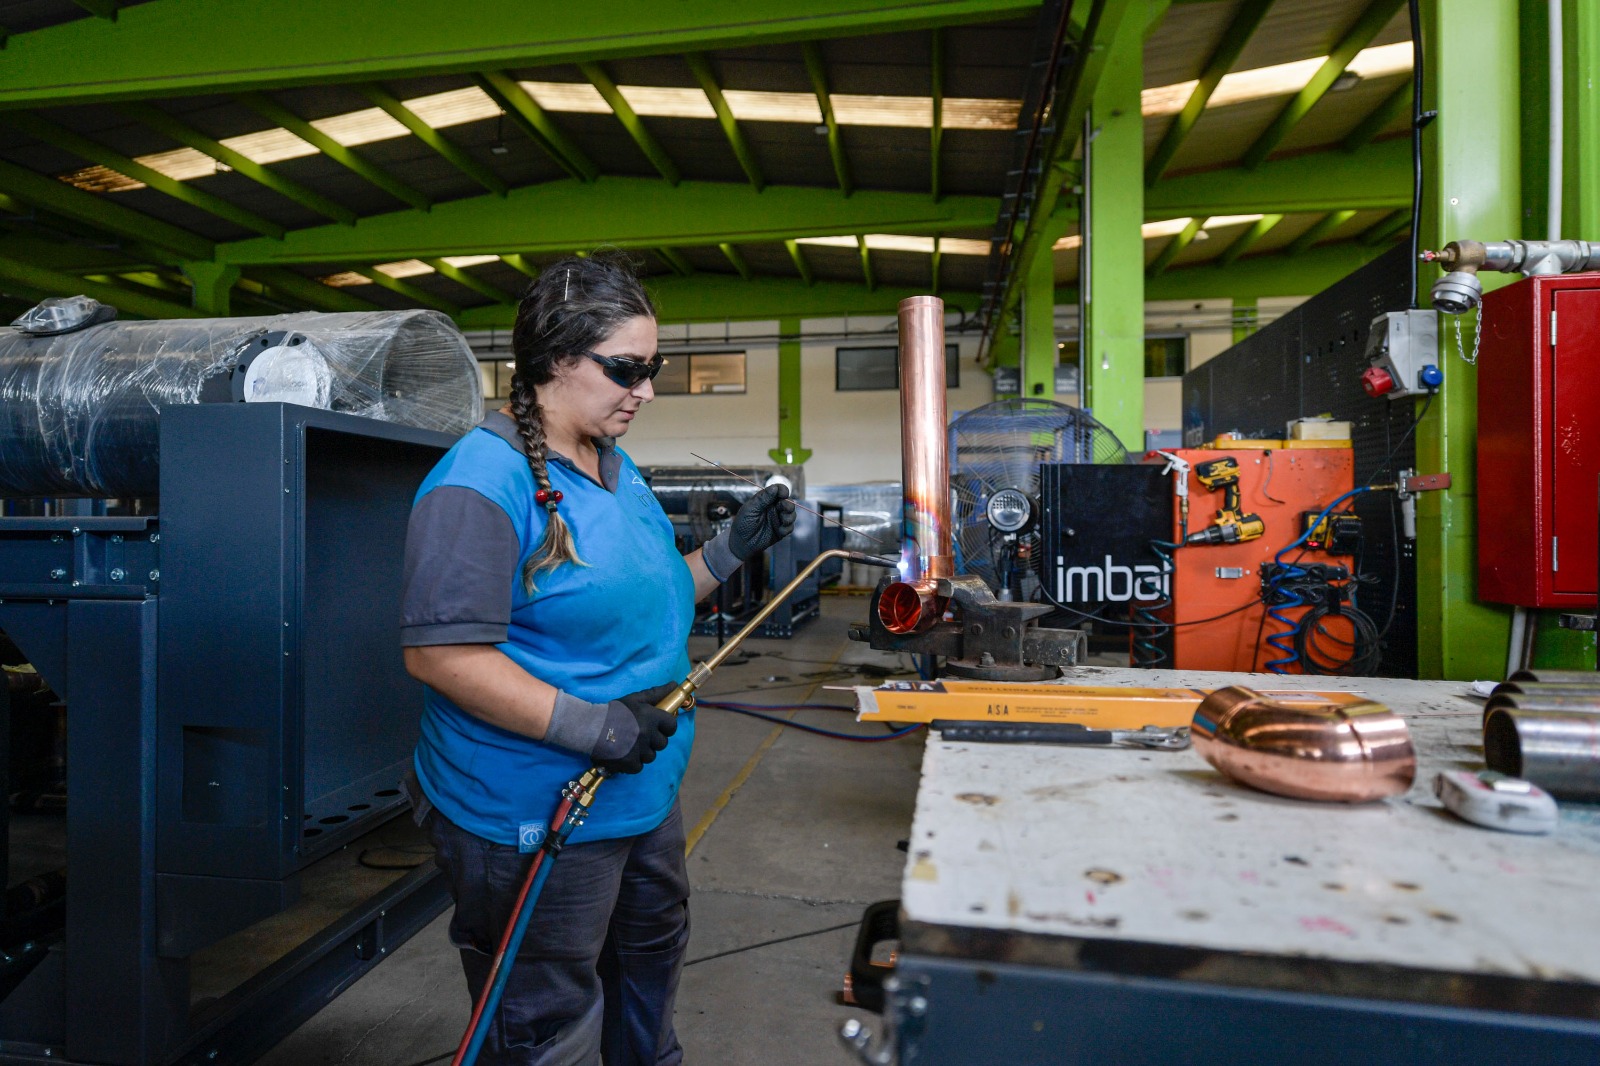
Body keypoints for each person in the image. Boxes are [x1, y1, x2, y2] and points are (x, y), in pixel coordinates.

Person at [399, 252, 795, 1065]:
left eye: (652, 370)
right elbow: (443, 657)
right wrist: (594, 729)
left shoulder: (616, 468)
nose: (645, 390)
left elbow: (652, 599)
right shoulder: (478, 484)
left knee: (647, 969)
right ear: (553, 360)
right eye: (627, 369)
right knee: (546, 1018)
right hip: (537, 807)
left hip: (639, 791)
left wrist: (727, 552)